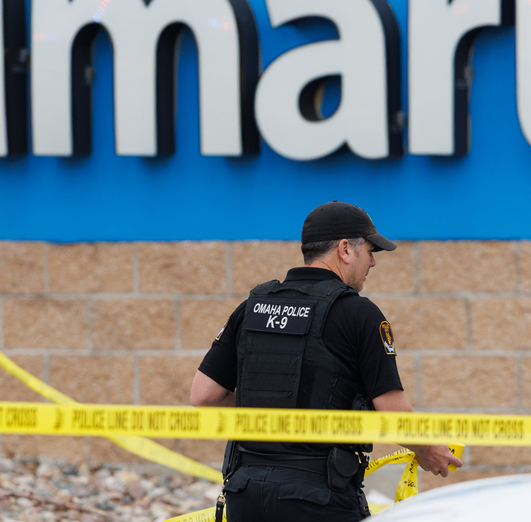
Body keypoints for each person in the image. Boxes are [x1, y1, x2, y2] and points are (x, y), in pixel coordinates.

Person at [190, 200, 462, 521]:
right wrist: (426, 448)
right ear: (345, 250)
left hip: (245, 493)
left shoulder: (252, 308)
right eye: (370, 251)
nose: (373, 263)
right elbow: (393, 413)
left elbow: (203, 396)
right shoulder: (358, 313)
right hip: (318, 499)